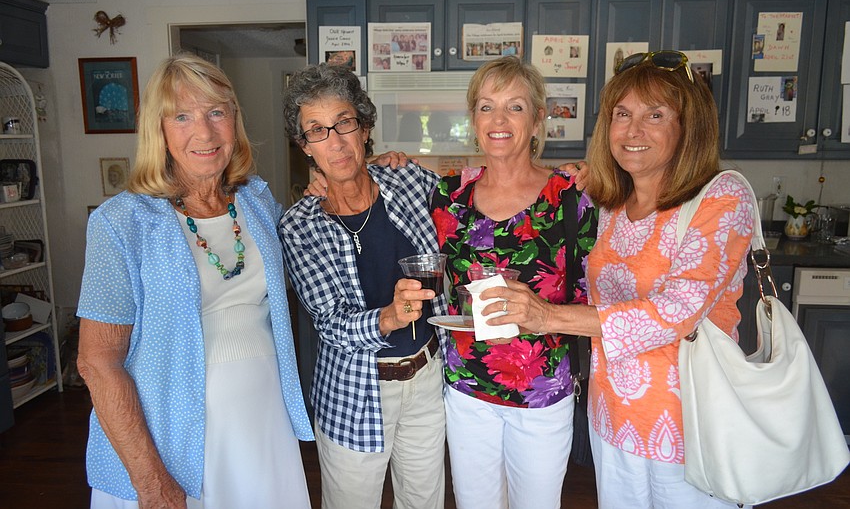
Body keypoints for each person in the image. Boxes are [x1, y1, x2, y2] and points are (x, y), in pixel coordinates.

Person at [486, 51, 755, 508]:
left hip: (692, 425)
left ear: (689, 127)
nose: (633, 131)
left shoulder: (721, 197)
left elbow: (675, 314)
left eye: (655, 115)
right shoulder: (608, 204)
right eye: (622, 114)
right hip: (612, 419)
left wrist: (547, 316)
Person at [76, 54, 313, 508]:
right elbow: (97, 363)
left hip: (261, 422)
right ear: (158, 130)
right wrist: (151, 482)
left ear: (234, 122)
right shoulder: (122, 222)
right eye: (182, 116)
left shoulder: (258, 202)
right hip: (170, 437)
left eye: (216, 113)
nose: (204, 133)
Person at [429, 56, 598, 509]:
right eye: (486, 107)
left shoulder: (571, 197)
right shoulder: (450, 196)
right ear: (473, 119)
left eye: (515, 107)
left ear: (539, 118)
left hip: (542, 393)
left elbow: (594, 301)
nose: (498, 120)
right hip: (467, 389)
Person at [279, 63, 448, 509]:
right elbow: (330, 323)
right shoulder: (300, 225)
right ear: (304, 146)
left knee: (423, 502)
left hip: (428, 377)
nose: (334, 141)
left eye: (344, 124)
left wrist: (559, 177)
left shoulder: (409, 181)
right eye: (317, 131)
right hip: (355, 390)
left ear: (365, 128)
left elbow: (474, 205)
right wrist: (390, 316)